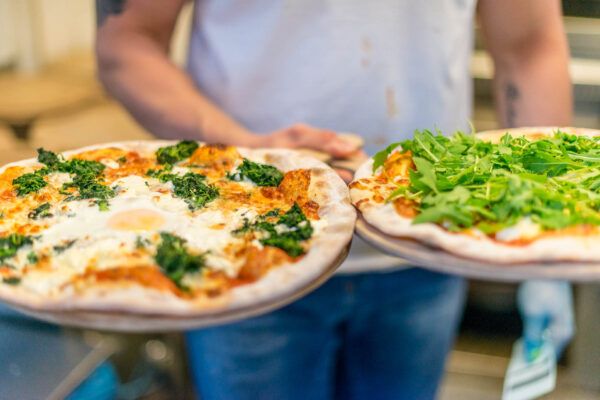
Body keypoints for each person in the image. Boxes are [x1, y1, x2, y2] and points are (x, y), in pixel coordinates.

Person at [95, 1, 573, 398]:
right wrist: (245, 150)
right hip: (244, 245)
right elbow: (126, 41)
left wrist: (539, 234)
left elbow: (528, 48)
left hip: (427, 245)